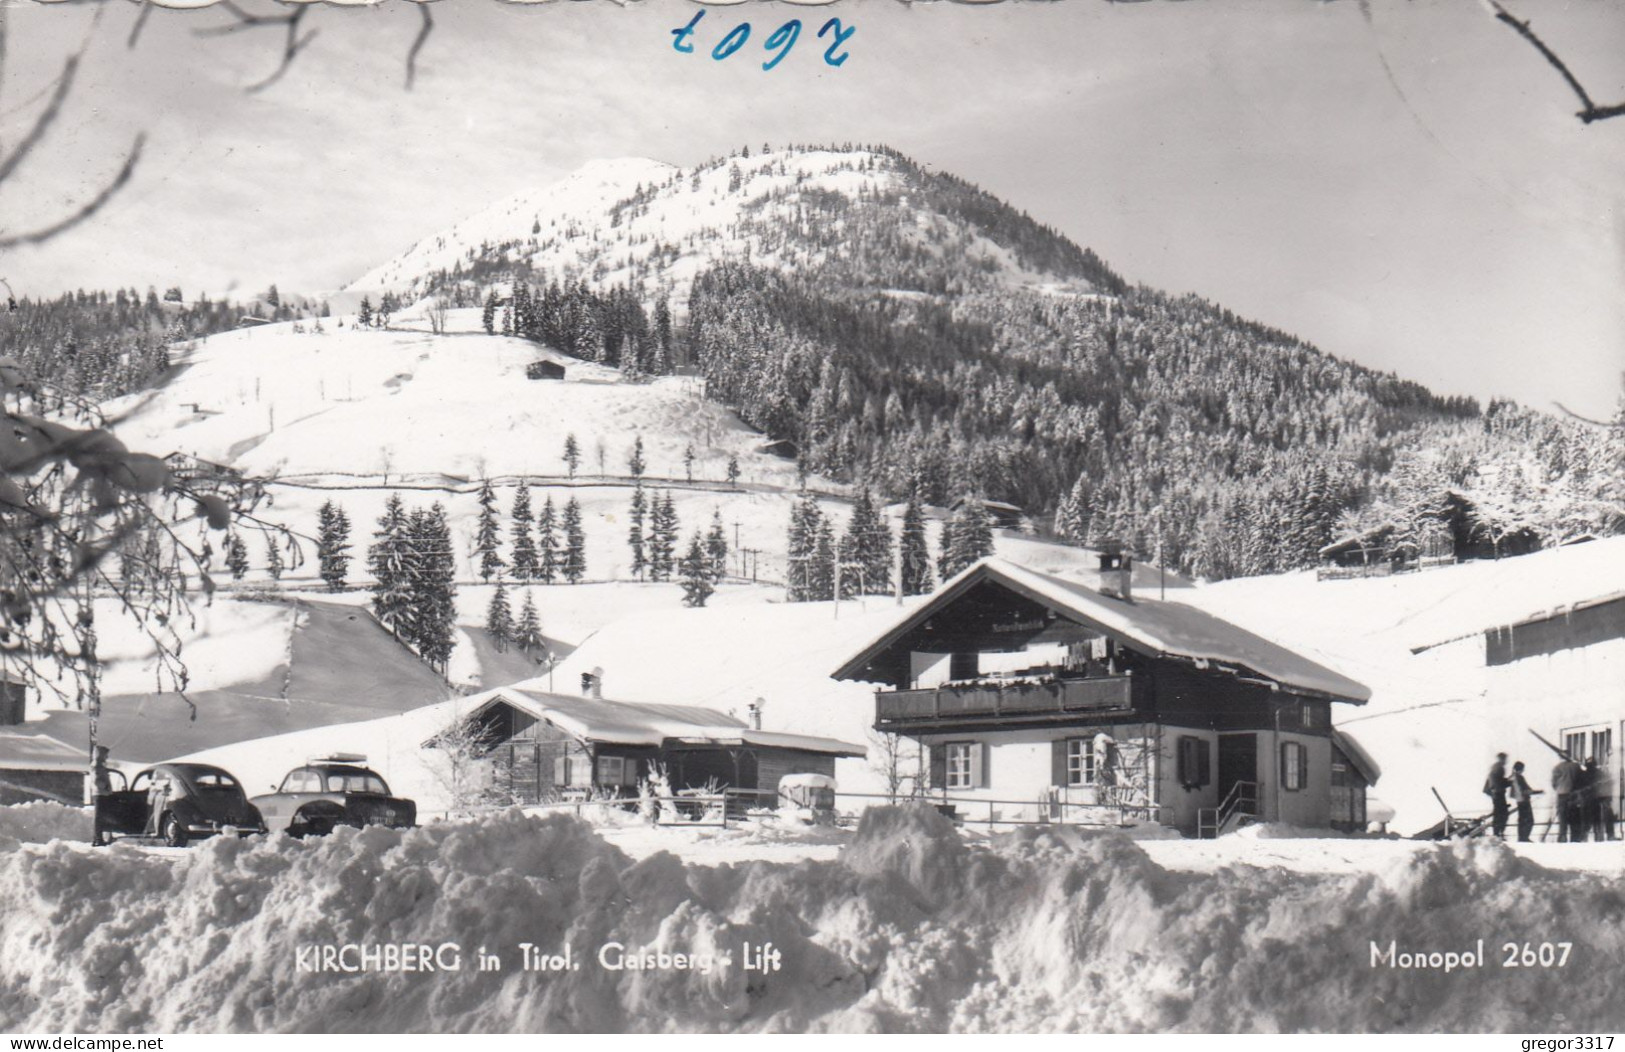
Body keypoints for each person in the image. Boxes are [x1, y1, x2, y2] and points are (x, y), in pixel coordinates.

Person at [1552, 753, 1583, 842]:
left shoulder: (1557, 767)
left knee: (1563, 817)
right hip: (1574, 794)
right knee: (1574, 817)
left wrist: (1560, 788)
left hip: (1561, 795)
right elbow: (1581, 780)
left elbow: (1553, 783)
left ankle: (1562, 838)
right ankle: (1575, 838)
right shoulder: (1576, 766)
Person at [1511, 762, 1542, 843]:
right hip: (1524, 800)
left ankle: (1522, 837)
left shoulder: (1513, 777)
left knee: (1522, 820)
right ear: (1521, 769)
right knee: (1529, 820)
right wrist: (1537, 792)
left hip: (1519, 800)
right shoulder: (1519, 778)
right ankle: (1524, 837)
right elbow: (1524, 790)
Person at [1484, 752, 1511, 839]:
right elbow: (1497, 782)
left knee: (1499, 813)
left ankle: (1497, 833)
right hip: (1498, 793)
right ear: (1502, 759)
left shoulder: (1495, 767)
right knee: (1502, 814)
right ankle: (1498, 833)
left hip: (1496, 793)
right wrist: (1509, 782)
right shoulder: (1499, 768)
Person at [1595, 761, 1617, 841]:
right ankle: (1609, 834)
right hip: (1605, 796)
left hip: (1600, 796)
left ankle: (1599, 835)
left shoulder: (1598, 775)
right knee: (1607, 815)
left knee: (1600, 815)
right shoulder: (1609, 776)